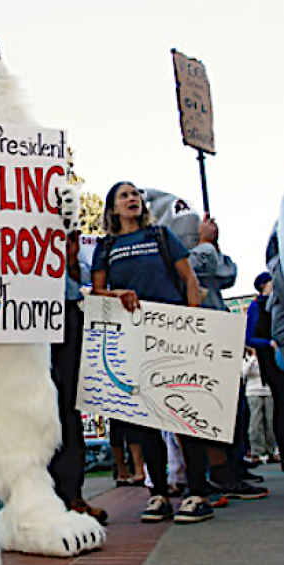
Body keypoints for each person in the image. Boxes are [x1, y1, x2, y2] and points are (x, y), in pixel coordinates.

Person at [91, 181, 213, 524]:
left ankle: (197, 494)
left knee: (184, 415)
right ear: (113, 209)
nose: (132, 200)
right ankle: (158, 492)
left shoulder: (160, 236)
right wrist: (117, 295)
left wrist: (193, 323)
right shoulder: (107, 246)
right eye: (124, 196)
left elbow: (189, 279)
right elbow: (98, 292)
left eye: (135, 195)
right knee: (144, 421)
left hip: (172, 334)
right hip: (131, 338)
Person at [188, 218, 268, 500]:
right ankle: (221, 472)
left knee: (233, 406)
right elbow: (196, 268)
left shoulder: (206, 254)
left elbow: (227, 274)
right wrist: (205, 244)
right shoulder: (190, 255)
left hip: (218, 331)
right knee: (214, 407)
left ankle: (233, 464)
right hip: (200, 334)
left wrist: (212, 246)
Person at [49, 230, 108, 525]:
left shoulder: (66, 228)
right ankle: (41, 499)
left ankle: (72, 495)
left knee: (70, 407)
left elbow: (81, 277)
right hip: (24, 317)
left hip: (68, 314)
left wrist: (70, 259)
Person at [246, 270, 284, 469]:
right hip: (271, 359)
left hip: (277, 355)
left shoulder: (279, 303)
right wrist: (269, 343)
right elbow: (249, 337)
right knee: (280, 403)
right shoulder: (256, 306)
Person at [243, 347, 275, 462]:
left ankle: (271, 449)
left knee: (270, 421)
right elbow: (243, 373)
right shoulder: (247, 357)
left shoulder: (266, 355)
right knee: (256, 421)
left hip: (268, 390)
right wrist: (252, 359)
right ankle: (257, 450)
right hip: (253, 390)